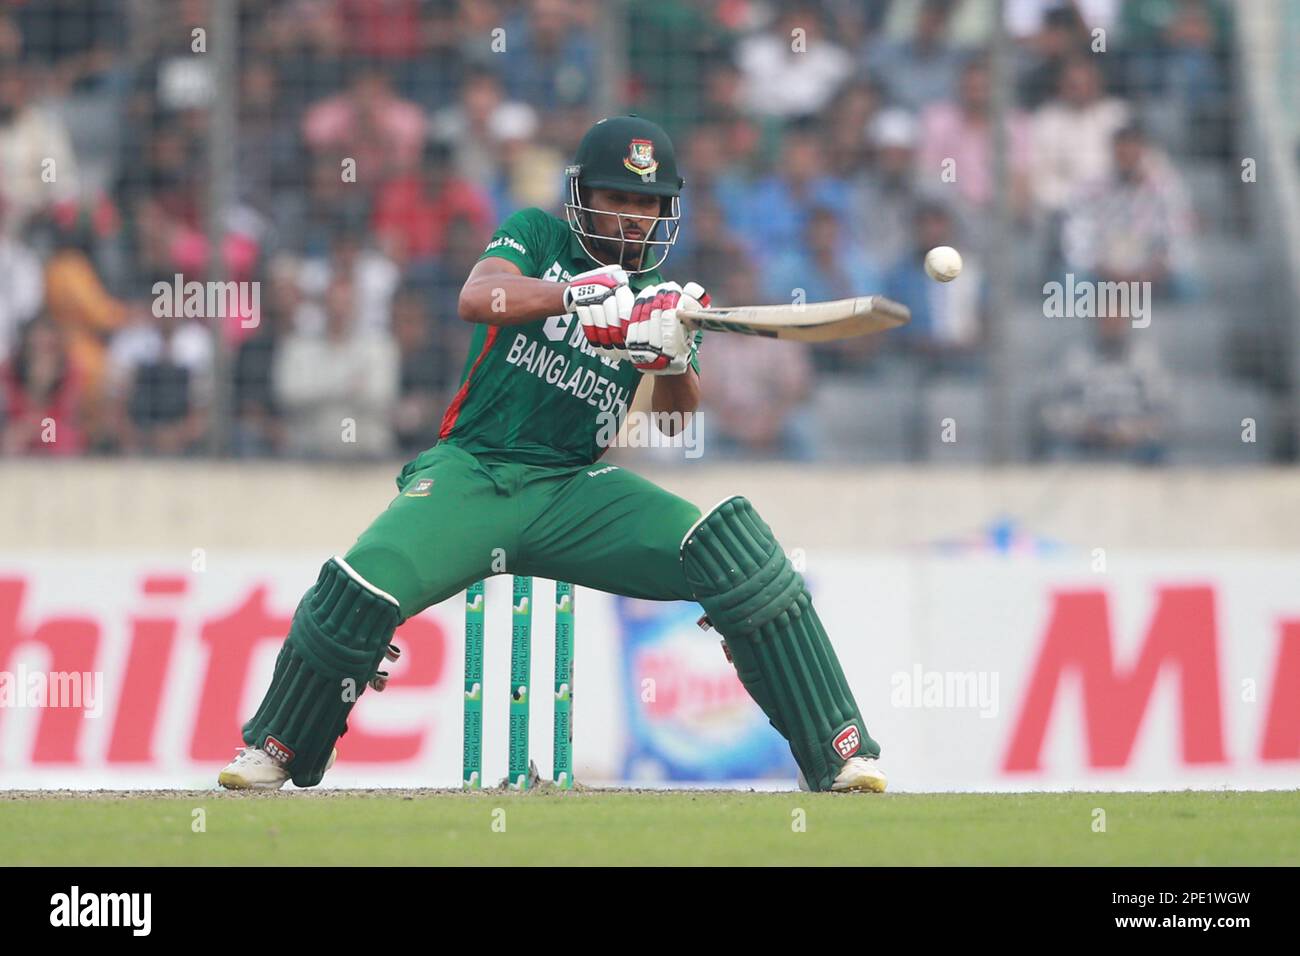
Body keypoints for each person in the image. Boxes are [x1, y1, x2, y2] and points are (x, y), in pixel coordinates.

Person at [218, 115, 887, 794]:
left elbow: (673, 422)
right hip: (476, 469)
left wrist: (674, 357)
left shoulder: (663, 296)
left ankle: (837, 755)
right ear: (582, 197)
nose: (632, 218)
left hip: (576, 490)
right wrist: (571, 294)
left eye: (647, 204)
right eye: (617, 199)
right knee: (360, 586)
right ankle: (284, 745)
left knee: (738, 557)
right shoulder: (538, 236)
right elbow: (477, 296)